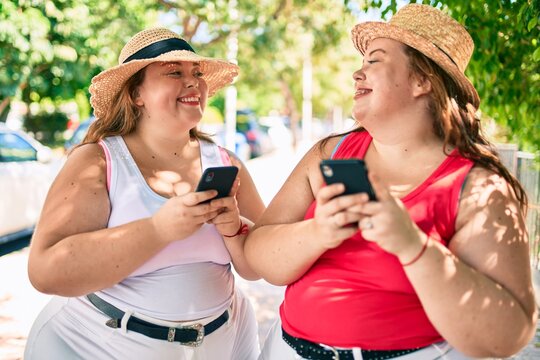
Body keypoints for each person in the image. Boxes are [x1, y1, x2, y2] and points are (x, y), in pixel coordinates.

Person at [245, 4, 537, 359]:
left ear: (421, 80)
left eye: (374, 61)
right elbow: (258, 257)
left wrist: (413, 245)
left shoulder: (479, 188)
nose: (357, 72)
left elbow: (508, 337)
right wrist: (318, 232)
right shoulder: (328, 153)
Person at [25, 27, 265, 360]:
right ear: (136, 94)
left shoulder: (227, 163)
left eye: (196, 73)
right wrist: (158, 229)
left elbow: (259, 266)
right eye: (174, 72)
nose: (193, 81)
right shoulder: (97, 161)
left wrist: (235, 229)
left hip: (223, 345)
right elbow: (45, 271)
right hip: (96, 347)